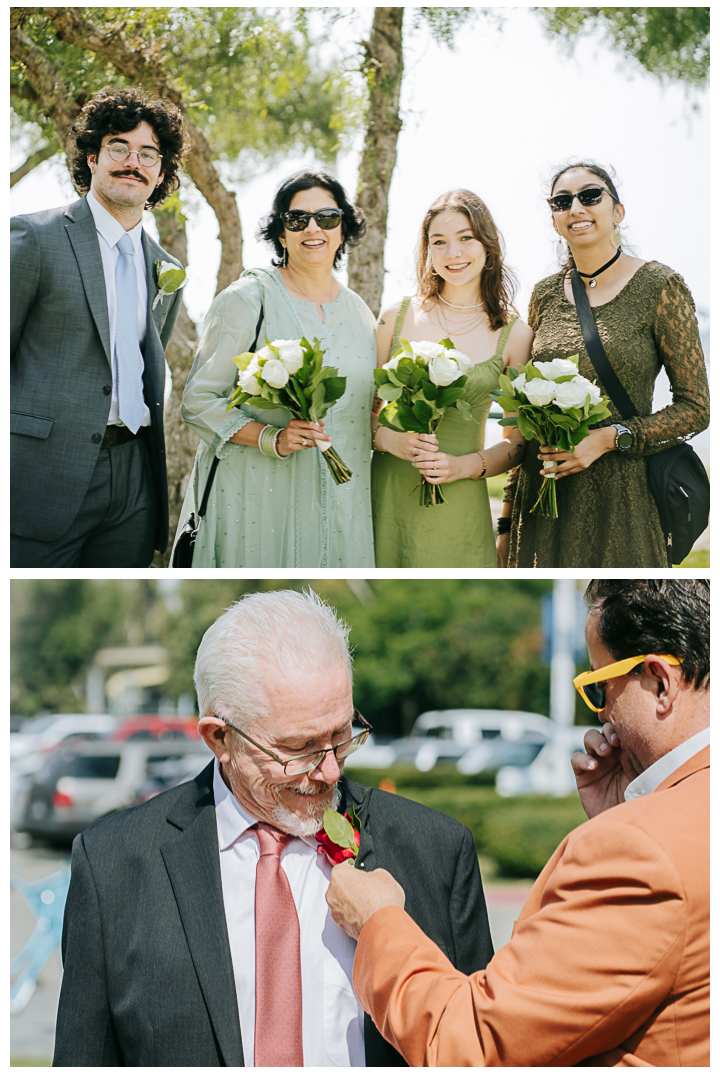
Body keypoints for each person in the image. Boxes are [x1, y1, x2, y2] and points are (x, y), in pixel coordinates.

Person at [53, 589, 493, 1067]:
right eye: (300, 747)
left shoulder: (438, 852)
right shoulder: (112, 866)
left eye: (342, 735)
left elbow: (482, 1047)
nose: (330, 771)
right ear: (219, 738)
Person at [327, 579, 709, 1067]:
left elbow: (470, 1044)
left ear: (658, 681)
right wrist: (635, 809)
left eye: (599, 685)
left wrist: (378, 921)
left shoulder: (639, 852)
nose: (603, 713)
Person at [497, 162, 709, 568]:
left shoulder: (660, 287)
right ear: (555, 220)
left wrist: (610, 438)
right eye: (562, 201)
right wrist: (506, 529)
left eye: (590, 196)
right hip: (541, 502)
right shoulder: (543, 294)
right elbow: (522, 419)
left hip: (622, 505)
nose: (576, 207)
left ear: (618, 212)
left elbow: (696, 409)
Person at [11, 88, 189, 567]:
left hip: (134, 479)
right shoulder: (34, 238)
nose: (133, 162)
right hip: (40, 476)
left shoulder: (166, 268)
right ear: (92, 157)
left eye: (148, 154)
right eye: (118, 147)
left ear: (161, 174)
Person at [176, 170, 376, 567]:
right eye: (297, 219)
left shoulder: (362, 314)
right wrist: (272, 437)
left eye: (327, 217)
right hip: (255, 500)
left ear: (342, 230)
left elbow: (367, 413)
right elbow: (198, 401)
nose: (312, 228)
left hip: (341, 512)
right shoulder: (248, 298)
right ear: (281, 234)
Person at [372, 189, 533, 567]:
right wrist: (390, 440)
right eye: (439, 242)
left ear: (487, 244)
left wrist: (462, 467)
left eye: (465, 238)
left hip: (460, 505)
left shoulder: (516, 334)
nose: (453, 253)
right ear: (427, 251)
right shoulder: (395, 317)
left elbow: (520, 442)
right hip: (384, 498)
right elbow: (360, 413)